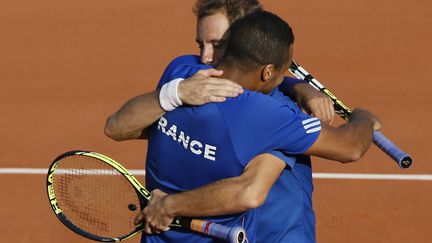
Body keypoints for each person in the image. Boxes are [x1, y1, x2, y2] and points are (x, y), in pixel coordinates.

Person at [105, 10, 381, 243]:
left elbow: (116, 127)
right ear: (267, 71)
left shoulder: (180, 71)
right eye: (284, 71)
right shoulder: (270, 116)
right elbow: (350, 147)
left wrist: (296, 85)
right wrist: (364, 118)